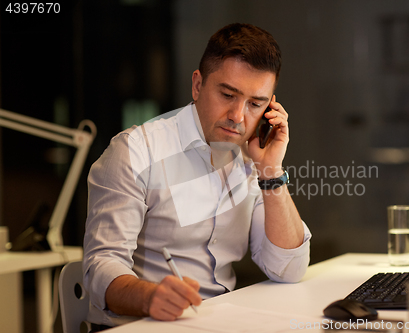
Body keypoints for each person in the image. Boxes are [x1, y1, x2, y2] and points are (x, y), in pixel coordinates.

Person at [83, 23, 312, 330]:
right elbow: (99, 268)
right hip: (143, 324)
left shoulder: (251, 159)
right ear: (197, 85)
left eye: (255, 104)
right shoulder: (136, 151)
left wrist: (270, 170)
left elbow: (288, 269)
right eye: (228, 94)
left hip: (219, 321)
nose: (238, 116)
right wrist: (151, 297)